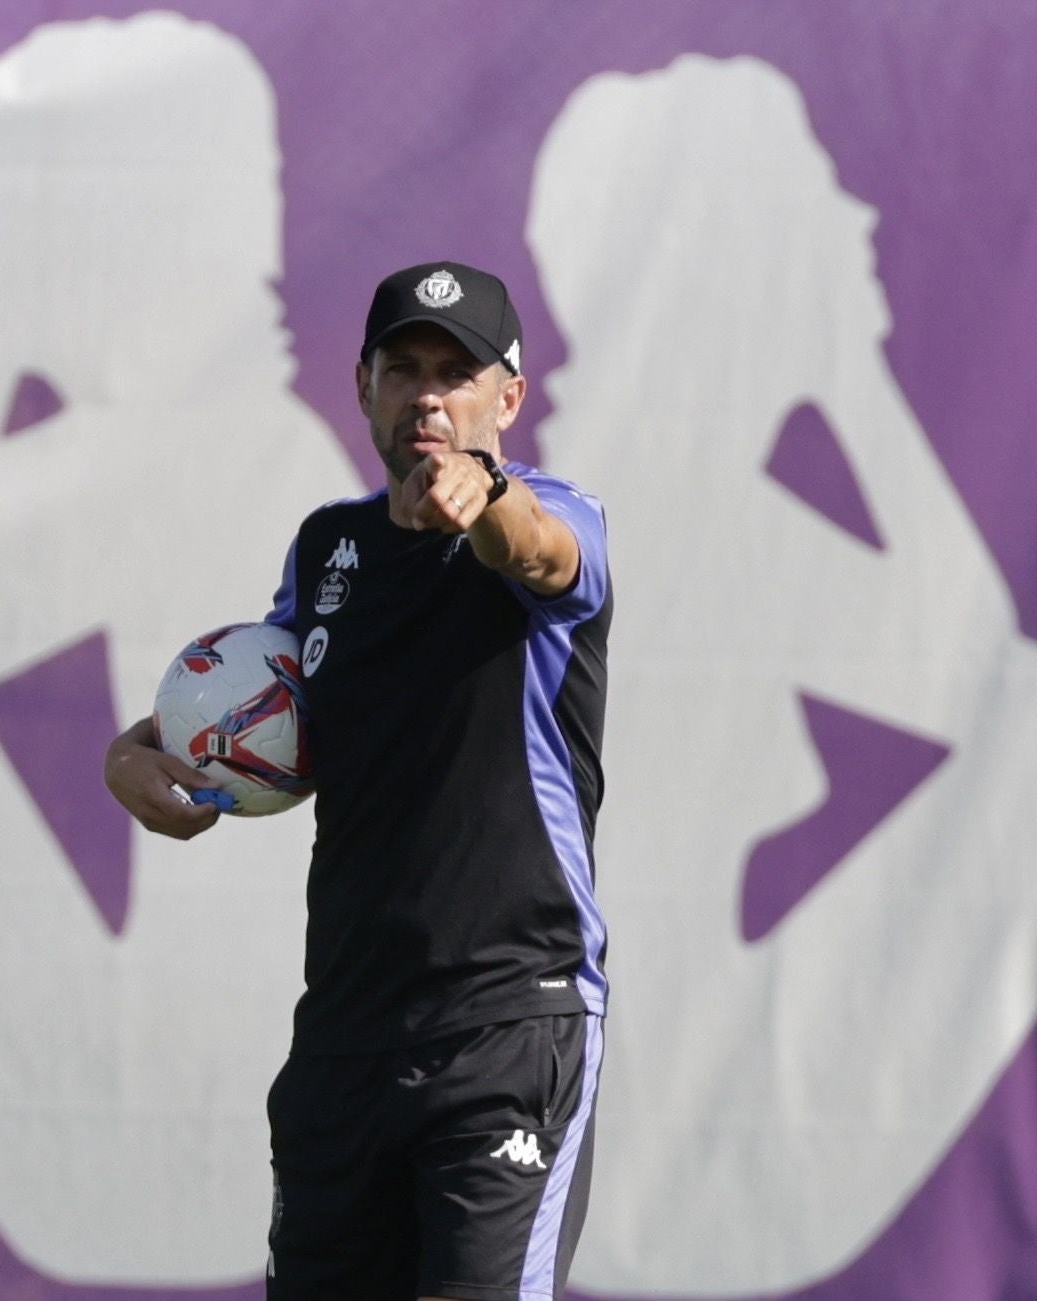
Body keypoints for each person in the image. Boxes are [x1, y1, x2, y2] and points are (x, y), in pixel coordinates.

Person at [105, 261, 612, 1301]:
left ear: (508, 397)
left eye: (460, 373)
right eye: (406, 368)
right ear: (364, 385)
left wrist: (488, 497)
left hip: (506, 1025)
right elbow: (241, 705)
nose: (431, 395)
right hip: (343, 1038)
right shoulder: (329, 548)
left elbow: (543, 551)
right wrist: (131, 759)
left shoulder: (561, 525)